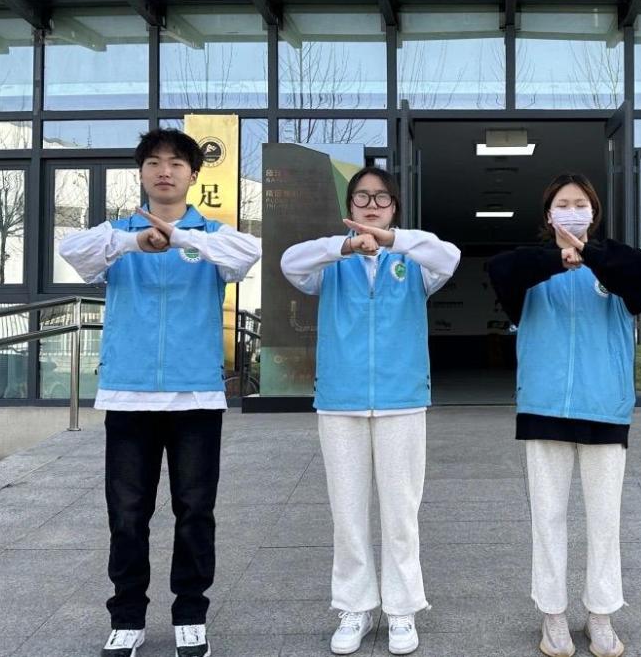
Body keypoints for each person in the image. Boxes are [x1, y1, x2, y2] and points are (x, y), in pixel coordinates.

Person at [59, 128, 261, 657]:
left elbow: (248, 253)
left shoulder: (211, 235)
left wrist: (180, 239)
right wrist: (135, 241)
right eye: (153, 162)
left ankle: (191, 614)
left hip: (195, 397)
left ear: (193, 174)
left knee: (195, 511)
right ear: (142, 173)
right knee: (127, 514)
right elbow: (71, 251)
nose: (164, 171)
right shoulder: (115, 234)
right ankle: (127, 618)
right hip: (129, 395)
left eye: (175, 163)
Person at [280, 166, 461, 656]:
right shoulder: (330, 261)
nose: (372, 205)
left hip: (403, 399)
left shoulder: (414, 261)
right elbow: (290, 263)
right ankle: (354, 605)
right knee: (348, 511)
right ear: (350, 205)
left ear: (394, 206)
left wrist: (392, 240)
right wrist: (345, 246)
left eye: (382, 197)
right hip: (341, 399)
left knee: (401, 512)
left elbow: (449, 256)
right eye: (362, 196)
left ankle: (402, 608)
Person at [488, 174, 641, 657]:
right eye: (562, 203)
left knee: (605, 520)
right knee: (548, 518)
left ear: (593, 212)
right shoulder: (530, 270)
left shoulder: (616, 266)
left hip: (605, 406)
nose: (572, 210)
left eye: (580, 203)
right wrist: (557, 257)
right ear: (549, 215)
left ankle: (601, 614)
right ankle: (553, 615)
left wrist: (589, 253)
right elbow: (500, 268)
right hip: (544, 407)